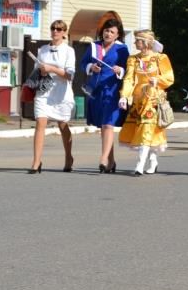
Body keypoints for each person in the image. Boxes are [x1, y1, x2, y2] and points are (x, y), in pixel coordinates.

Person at [118, 29, 175, 175]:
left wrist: (158, 80)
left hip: (154, 99)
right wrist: (124, 96)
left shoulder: (160, 58)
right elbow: (129, 79)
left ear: (146, 43)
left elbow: (169, 78)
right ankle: (153, 161)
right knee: (147, 130)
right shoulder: (133, 59)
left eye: (137, 40)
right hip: (139, 100)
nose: (135, 42)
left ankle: (140, 164)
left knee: (147, 128)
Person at [27, 19, 76, 173]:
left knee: (63, 125)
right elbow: (37, 70)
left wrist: (52, 69)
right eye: (53, 28)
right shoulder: (42, 50)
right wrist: (42, 70)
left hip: (61, 92)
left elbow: (69, 75)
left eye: (59, 29)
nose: (55, 31)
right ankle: (36, 162)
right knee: (40, 123)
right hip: (44, 90)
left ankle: (68, 156)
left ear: (64, 33)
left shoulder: (69, 51)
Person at [82, 17, 129, 173]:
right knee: (103, 127)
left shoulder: (122, 49)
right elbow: (83, 63)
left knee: (109, 124)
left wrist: (120, 70)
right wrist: (91, 67)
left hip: (113, 91)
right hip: (96, 90)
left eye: (112, 32)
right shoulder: (94, 46)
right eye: (106, 30)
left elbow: (128, 69)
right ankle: (111, 161)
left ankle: (103, 159)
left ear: (117, 35)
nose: (108, 33)